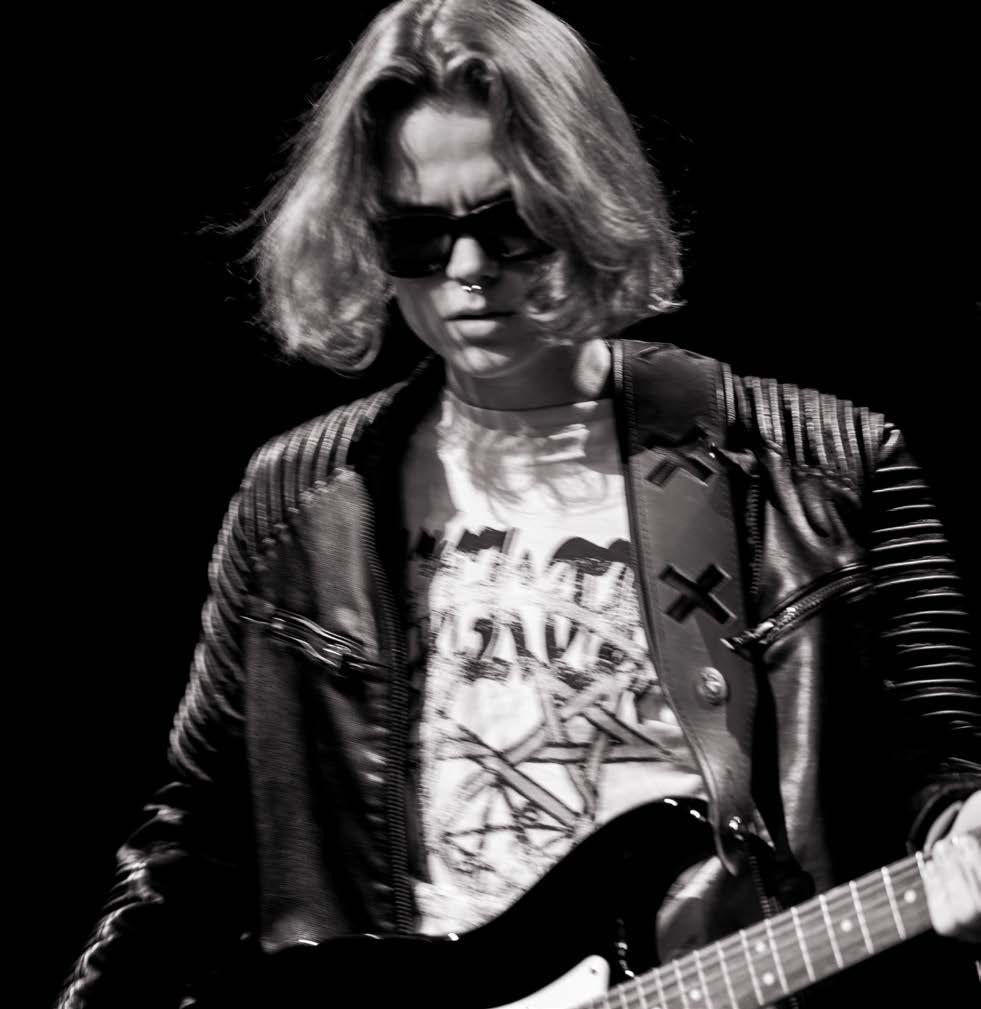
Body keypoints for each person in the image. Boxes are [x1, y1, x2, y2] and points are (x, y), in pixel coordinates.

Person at [59, 1, 980, 1006]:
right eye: (418, 235)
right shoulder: (301, 499)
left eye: (506, 224)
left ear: (578, 197)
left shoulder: (820, 465)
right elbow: (197, 831)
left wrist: (964, 835)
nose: (467, 271)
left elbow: (940, 770)